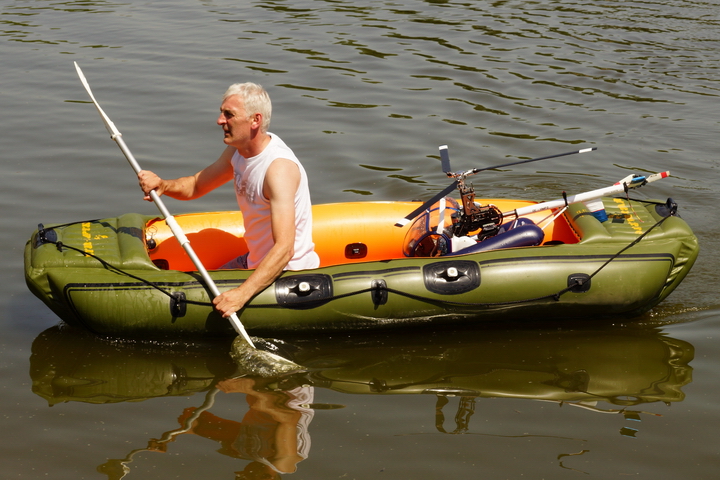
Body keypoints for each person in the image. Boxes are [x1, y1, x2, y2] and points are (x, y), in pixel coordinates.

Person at [138, 83, 319, 318]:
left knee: (204, 301)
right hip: (253, 261)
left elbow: (285, 248)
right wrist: (162, 185)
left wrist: (242, 294)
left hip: (288, 274)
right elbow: (196, 185)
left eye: (229, 114)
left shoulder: (278, 169)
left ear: (255, 120)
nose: (219, 120)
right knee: (198, 287)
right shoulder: (237, 152)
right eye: (222, 112)